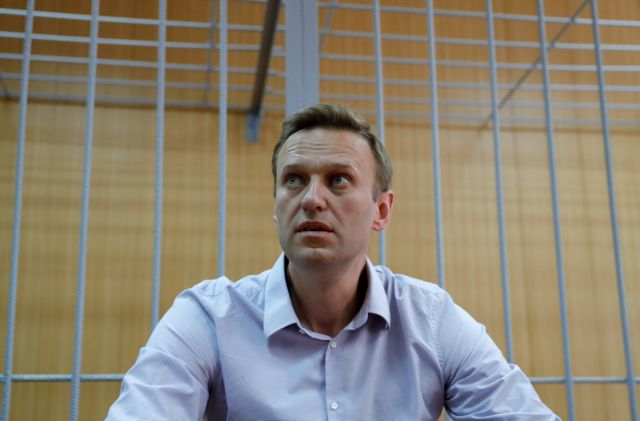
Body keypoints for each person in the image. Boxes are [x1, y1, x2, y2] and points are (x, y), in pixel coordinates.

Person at [107, 104, 559, 420]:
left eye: (338, 180)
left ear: (381, 210)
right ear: (276, 206)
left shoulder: (432, 320)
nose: (311, 199)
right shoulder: (208, 318)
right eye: (294, 180)